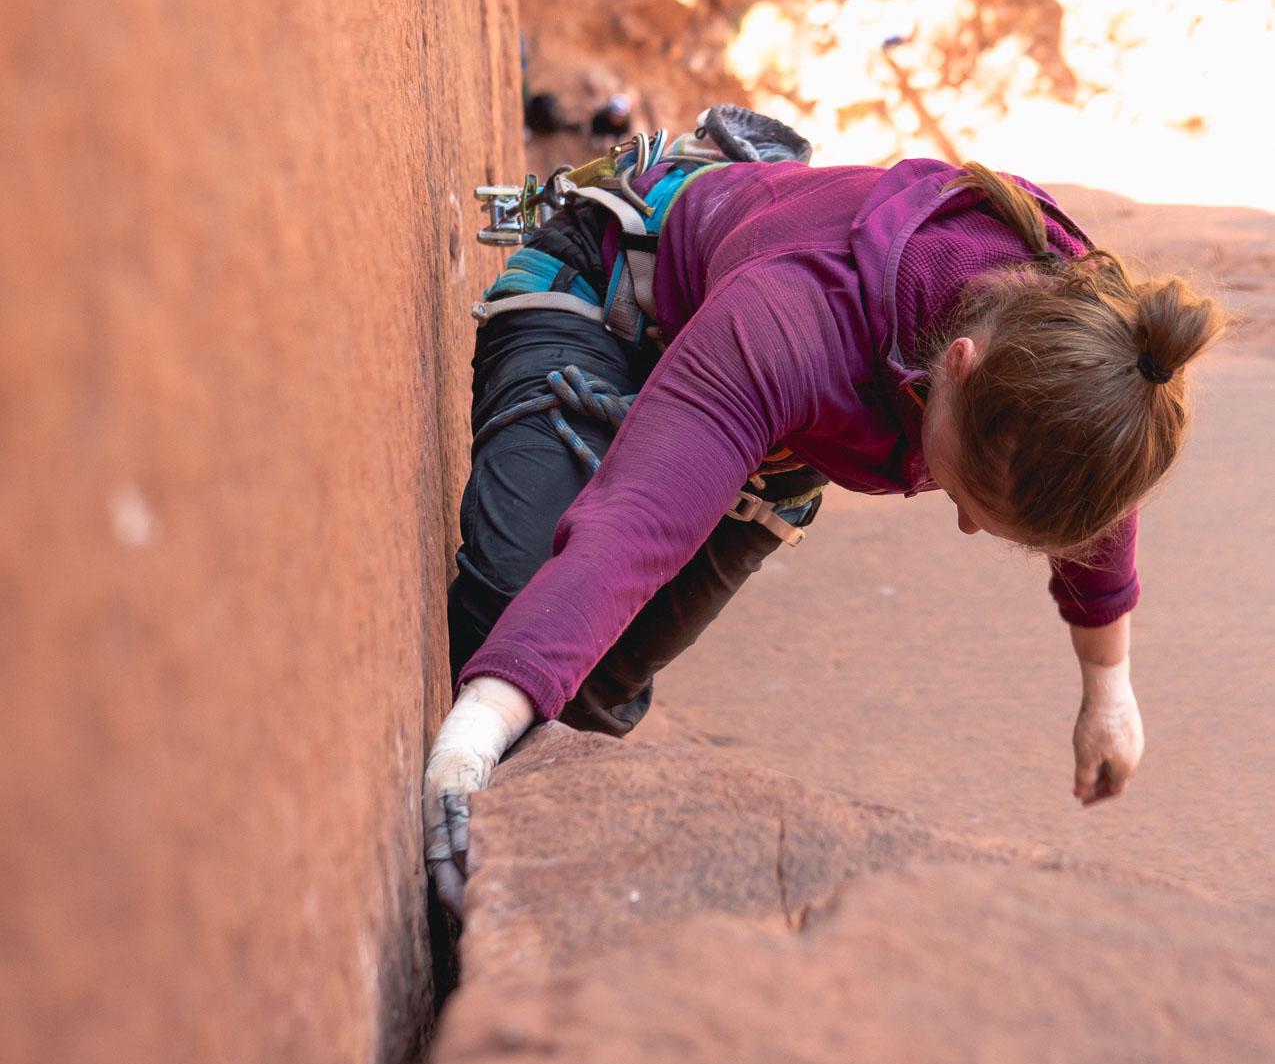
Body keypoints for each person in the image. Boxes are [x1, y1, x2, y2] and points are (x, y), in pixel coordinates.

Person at [426, 112, 1225, 916]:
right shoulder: (798, 321)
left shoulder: (1091, 353)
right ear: (956, 364)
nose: (966, 527)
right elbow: (637, 523)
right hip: (611, 293)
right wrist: (481, 725)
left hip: (783, 434)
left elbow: (1097, 479)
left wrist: (1107, 689)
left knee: (592, 691)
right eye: (965, 495)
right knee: (515, 623)